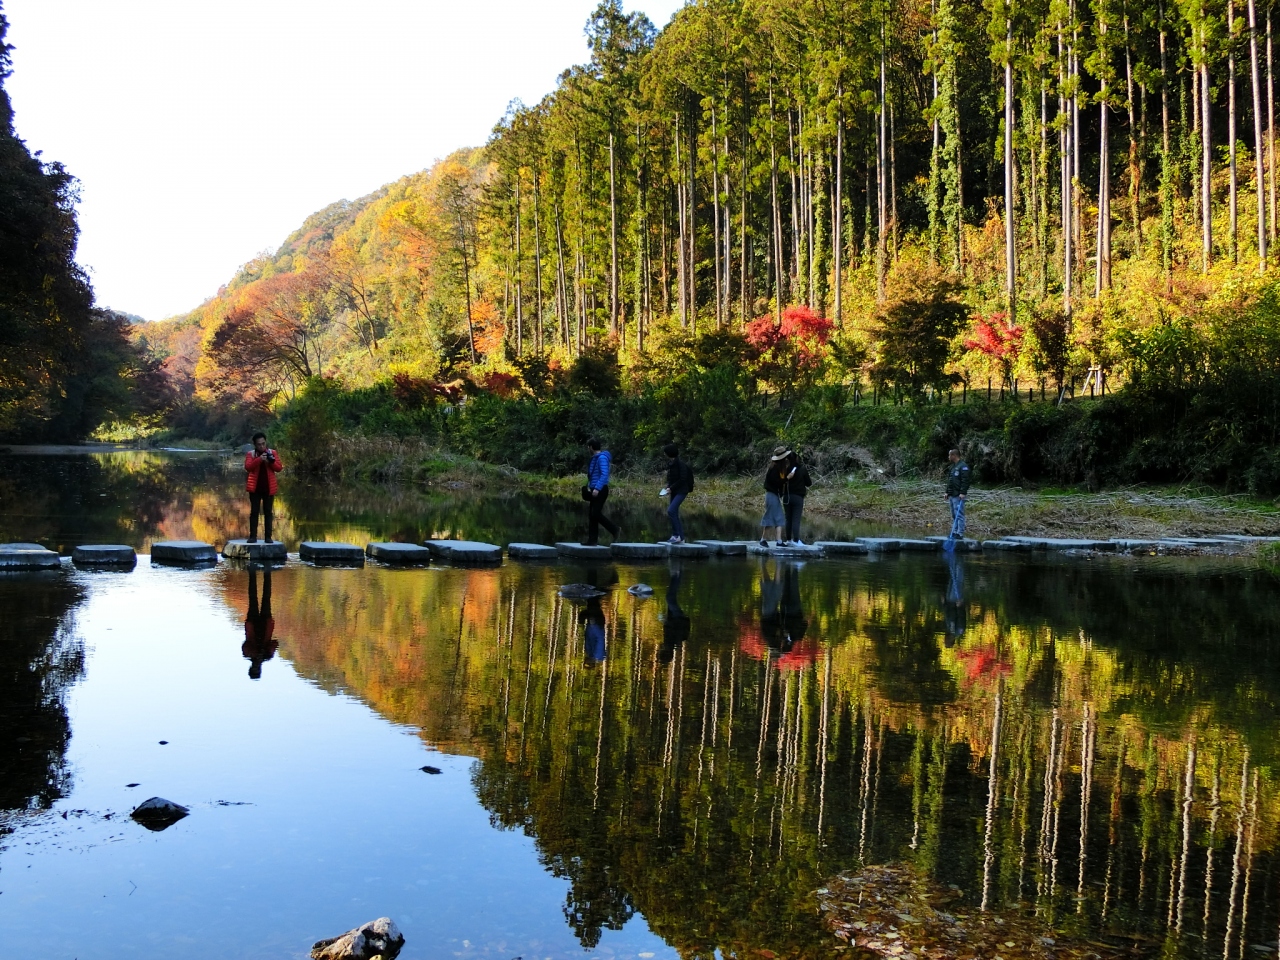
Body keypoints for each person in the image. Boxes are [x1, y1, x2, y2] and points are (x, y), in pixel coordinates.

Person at [245, 432, 284, 543]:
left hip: (268, 488)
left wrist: (269, 462)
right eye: (259, 444)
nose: (262, 446)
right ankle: (253, 537)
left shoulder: (272, 453)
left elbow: (279, 468)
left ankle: (268, 537)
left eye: (263, 444)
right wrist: (259, 459)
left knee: (268, 513)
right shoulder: (251, 454)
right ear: (255, 445)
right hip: (255, 489)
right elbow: (248, 467)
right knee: (254, 512)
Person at [241, 566, 277, 680]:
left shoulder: (247, 654)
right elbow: (275, 643)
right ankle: (267, 572)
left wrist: (255, 653)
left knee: (253, 597)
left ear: (250, 668)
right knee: (266, 597)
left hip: (252, 622)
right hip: (266, 623)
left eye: (254, 669)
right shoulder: (267, 656)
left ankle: (252, 572)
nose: (256, 667)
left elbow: (245, 645)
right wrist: (265, 652)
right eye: (257, 669)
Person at [585, 437, 619, 546]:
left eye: (588, 447)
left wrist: (597, 488)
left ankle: (615, 529)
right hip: (595, 488)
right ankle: (592, 540)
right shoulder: (595, 458)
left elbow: (604, 474)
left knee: (595, 513)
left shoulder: (601, 458)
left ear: (591, 447)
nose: (588, 449)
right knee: (592, 514)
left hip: (600, 489)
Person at [660, 443, 695, 544]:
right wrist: (668, 487)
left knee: (671, 510)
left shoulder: (681, 464)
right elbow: (671, 479)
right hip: (674, 491)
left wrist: (671, 488)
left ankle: (677, 535)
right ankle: (680, 538)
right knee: (673, 512)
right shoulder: (671, 464)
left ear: (669, 453)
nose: (664, 454)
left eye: (665, 453)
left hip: (682, 491)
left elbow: (683, 479)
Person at [760, 446, 790, 546]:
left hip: (774, 495)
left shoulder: (778, 468)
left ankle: (778, 540)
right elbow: (776, 482)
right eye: (785, 457)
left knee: (778, 517)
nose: (786, 459)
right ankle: (763, 539)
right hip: (771, 495)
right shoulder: (774, 468)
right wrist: (787, 479)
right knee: (771, 517)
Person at [782, 451, 813, 546]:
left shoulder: (784, 469)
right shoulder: (802, 469)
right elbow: (809, 483)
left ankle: (788, 540)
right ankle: (796, 540)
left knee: (788, 519)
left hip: (786, 496)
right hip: (798, 497)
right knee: (796, 519)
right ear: (796, 458)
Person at [944, 448, 971, 540]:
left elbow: (965, 481)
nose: (948, 457)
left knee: (959, 514)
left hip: (958, 495)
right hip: (952, 494)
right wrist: (947, 492)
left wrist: (963, 492)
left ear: (954, 456)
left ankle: (960, 533)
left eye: (949, 455)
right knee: (954, 515)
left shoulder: (963, 466)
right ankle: (954, 532)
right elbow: (950, 481)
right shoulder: (953, 467)